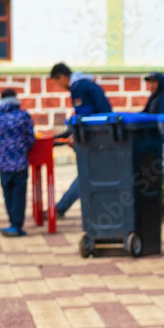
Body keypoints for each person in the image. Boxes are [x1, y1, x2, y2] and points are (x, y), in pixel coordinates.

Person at [49, 62, 112, 217]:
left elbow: (84, 118)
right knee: (90, 174)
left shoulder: (78, 87)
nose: (58, 85)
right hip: (104, 132)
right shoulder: (86, 83)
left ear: (63, 77)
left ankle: (60, 209)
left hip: (97, 138)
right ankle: (61, 208)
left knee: (86, 174)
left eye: (57, 82)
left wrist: (75, 137)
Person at [0, 88, 36, 237]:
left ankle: (13, 223)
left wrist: (2, 151)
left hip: (4, 163)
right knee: (19, 194)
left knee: (7, 193)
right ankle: (17, 225)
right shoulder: (24, 116)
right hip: (21, 162)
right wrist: (23, 150)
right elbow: (31, 138)